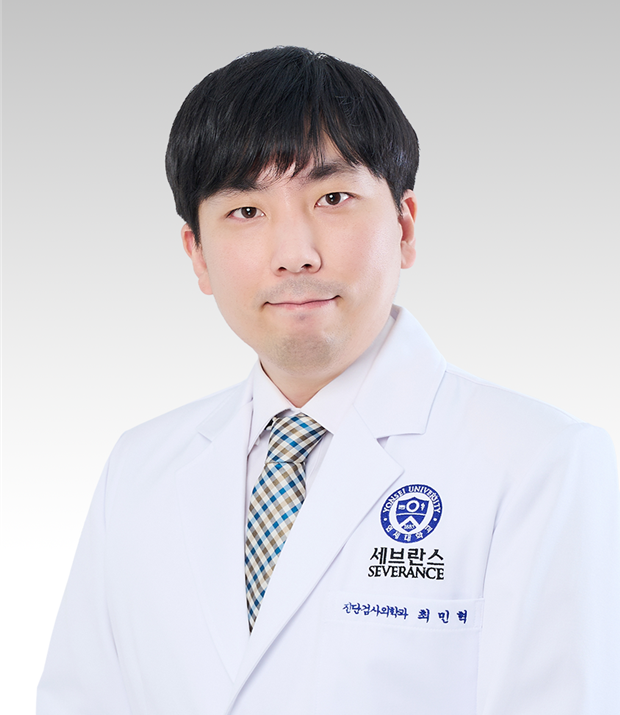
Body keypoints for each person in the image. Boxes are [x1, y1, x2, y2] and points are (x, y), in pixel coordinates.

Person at [37, 46, 620, 715]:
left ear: (404, 226)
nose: (295, 255)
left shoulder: (541, 462)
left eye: (333, 198)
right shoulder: (139, 468)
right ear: (197, 255)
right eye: (246, 211)